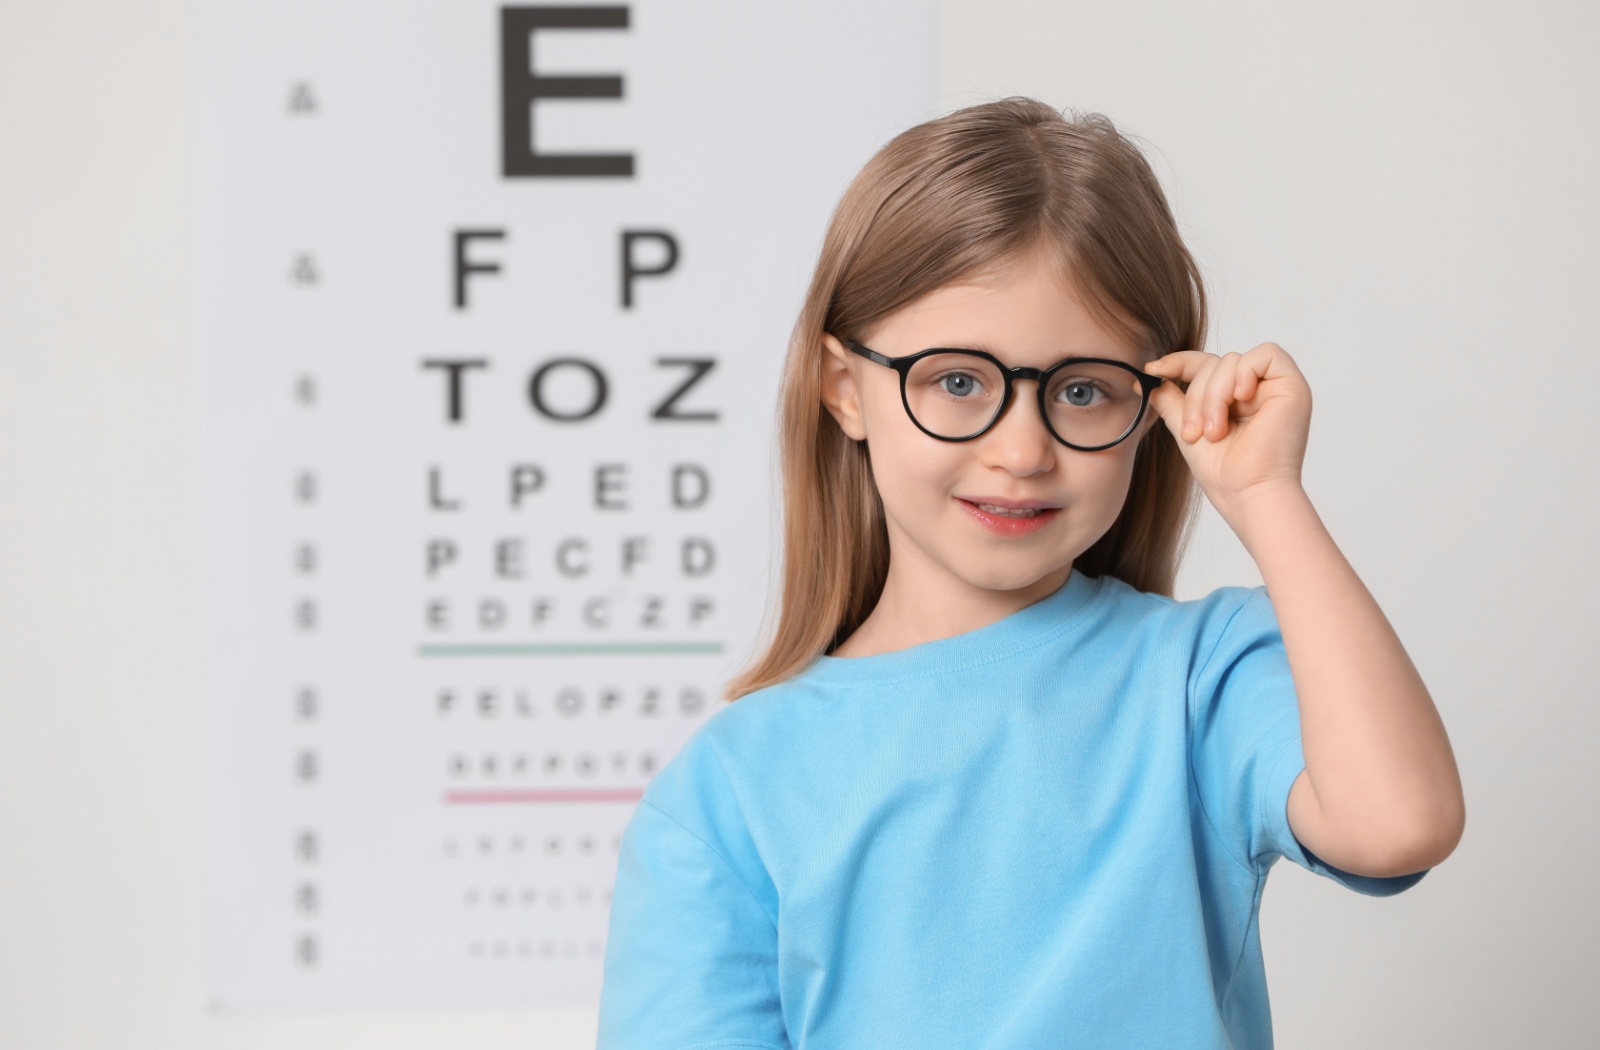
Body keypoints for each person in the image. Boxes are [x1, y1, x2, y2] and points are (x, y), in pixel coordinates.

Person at [594, 97, 1465, 1050]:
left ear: (1153, 406)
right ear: (844, 391)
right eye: (957, 380)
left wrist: (1267, 496)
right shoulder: (728, 794)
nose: (1021, 451)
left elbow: (1398, 824)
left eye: (1083, 390)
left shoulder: (1199, 676)